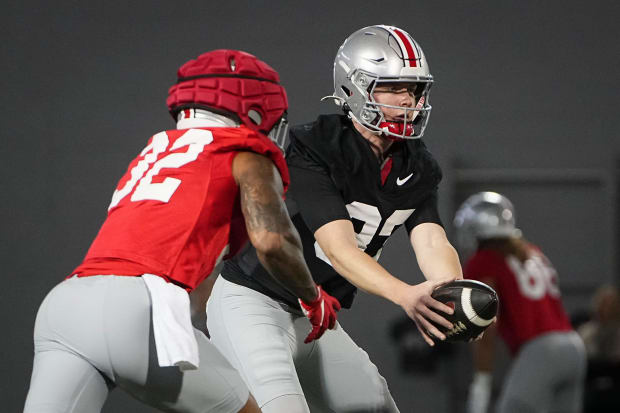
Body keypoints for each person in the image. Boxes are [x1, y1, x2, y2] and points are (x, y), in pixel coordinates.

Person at [23, 49, 341, 413]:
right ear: (255, 106)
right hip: (136, 306)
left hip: (66, 304)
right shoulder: (246, 152)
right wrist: (311, 295)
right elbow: (272, 241)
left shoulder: (156, 150)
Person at [206, 25, 463, 413]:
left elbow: (431, 240)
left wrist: (451, 293)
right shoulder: (314, 146)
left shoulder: (417, 163)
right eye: (393, 88)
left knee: (377, 407)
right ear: (354, 88)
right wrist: (406, 295)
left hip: (313, 314)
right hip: (253, 302)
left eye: (413, 89)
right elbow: (338, 250)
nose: (408, 100)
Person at [455, 192, 586, 413]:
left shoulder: (483, 260)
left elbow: (486, 326)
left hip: (542, 352)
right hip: (573, 347)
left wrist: (482, 384)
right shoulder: (531, 252)